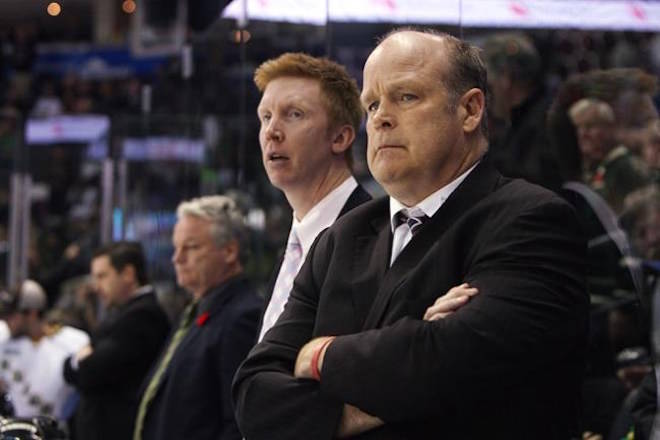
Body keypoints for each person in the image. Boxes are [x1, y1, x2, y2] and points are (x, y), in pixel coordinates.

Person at [233, 29, 588, 439]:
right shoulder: (342, 237)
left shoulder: (532, 220)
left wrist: (317, 355)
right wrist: (405, 360)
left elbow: (450, 363)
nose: (380, 117)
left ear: (470, 109)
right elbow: (254, 396)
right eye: (372, 104)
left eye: (406, 97)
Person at [254, 52, 371, 341]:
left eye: (294, 114)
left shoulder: (377, 238)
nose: (271, 132)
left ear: (340, 138)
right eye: (265, 117)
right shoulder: (293, 246)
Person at [134, 195, 261, 440]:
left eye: (191, 247)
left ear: (229, 251)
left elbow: (238, 422)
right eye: (176, 247)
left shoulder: (241, 317)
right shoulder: (196, 309)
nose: (177, 258)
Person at [63, 241, 170, 440]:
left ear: (128, 274)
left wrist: (79, 360)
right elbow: (72, 369)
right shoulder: (122, 315)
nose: (96, 286)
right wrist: (79, 360)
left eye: (102, 276)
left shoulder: (143, 316)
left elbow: (92, 371)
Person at [0, 279, 89, 422]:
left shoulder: (72, 342)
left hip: (56, 429)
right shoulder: (3, 336)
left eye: (12, 315)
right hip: (14, 427)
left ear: (32, 313)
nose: (6, 320)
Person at [482, 32, 561, 190]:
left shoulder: (542, 126)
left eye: (489, 87)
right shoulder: (527, 118)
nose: (487, 98)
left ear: (506, 79)